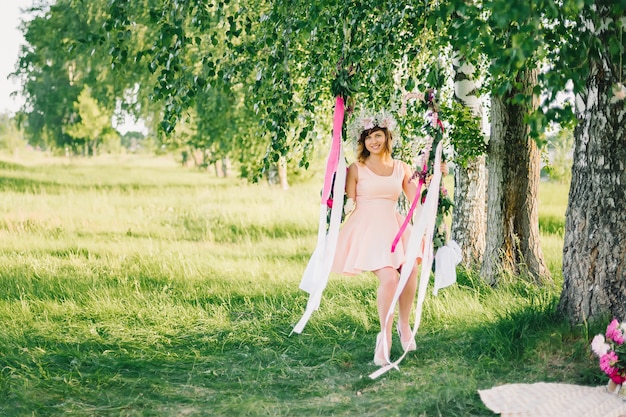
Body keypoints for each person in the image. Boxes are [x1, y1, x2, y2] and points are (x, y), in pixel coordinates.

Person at [331, 109, 423, 367]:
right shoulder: (356, 168)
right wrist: (332, 188)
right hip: (368, 228)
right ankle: (384, 337)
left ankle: (404, 324)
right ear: (363, 141)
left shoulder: (401, 168)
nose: (374, 141)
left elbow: (416, 198)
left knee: (410, 269)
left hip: (394, 226)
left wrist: (436, 176)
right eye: (369, 137)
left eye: (378, 135)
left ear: (386, 136)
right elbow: (347, 200)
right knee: (390, 277)